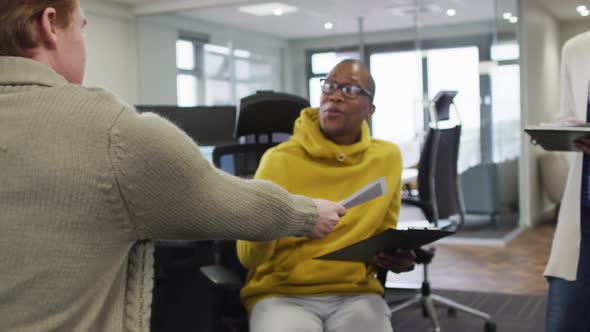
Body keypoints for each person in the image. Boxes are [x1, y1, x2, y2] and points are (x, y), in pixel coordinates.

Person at [0, 1, 346, 331]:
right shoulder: (111, 131)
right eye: (81, 27)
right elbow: (227, 201)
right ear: (49, 26)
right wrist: (308, 213)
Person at [237, 59, 417, 332]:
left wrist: (395, 258)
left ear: (369, 109)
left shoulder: (387, 158)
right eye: (330, 86)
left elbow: (383, 236)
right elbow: (248, 257)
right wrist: (290, 219)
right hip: (283, 293)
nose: (335, 96)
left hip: (355, 293)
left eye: (351, 90)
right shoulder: (278, 160)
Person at [544, 31, 590, 332]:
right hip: (583, 209)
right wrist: (568, 129)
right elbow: (568, 115)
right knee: (564, 322)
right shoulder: (576, 49)